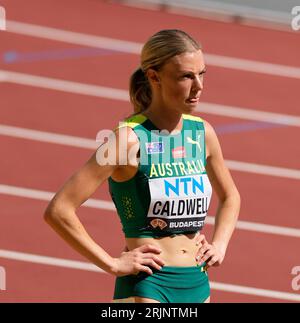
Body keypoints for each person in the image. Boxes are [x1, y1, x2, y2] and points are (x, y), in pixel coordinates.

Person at [44, 29, 241, 303]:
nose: (198, 86)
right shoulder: (125, 140)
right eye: (186, 76)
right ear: (153, 76)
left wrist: (220, 245)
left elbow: (231, 196)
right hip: (149, 285)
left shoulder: (202, 133)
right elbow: (59, 209)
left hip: (198, 282)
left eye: (202, 74)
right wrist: (111, 264)